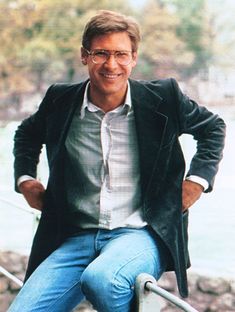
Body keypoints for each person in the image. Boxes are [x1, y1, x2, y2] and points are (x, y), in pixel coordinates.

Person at [9, 10, 225, 312]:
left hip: (141, 233)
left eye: (121, 54)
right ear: (85, 56)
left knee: (102, 279)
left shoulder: (163, 98)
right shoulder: (60, 101)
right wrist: (26, 180)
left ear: (133, 58)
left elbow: (213, 128)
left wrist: (196, 182)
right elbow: (27, 134)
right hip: (75, 236)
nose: (111, 65)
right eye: (101, 54)